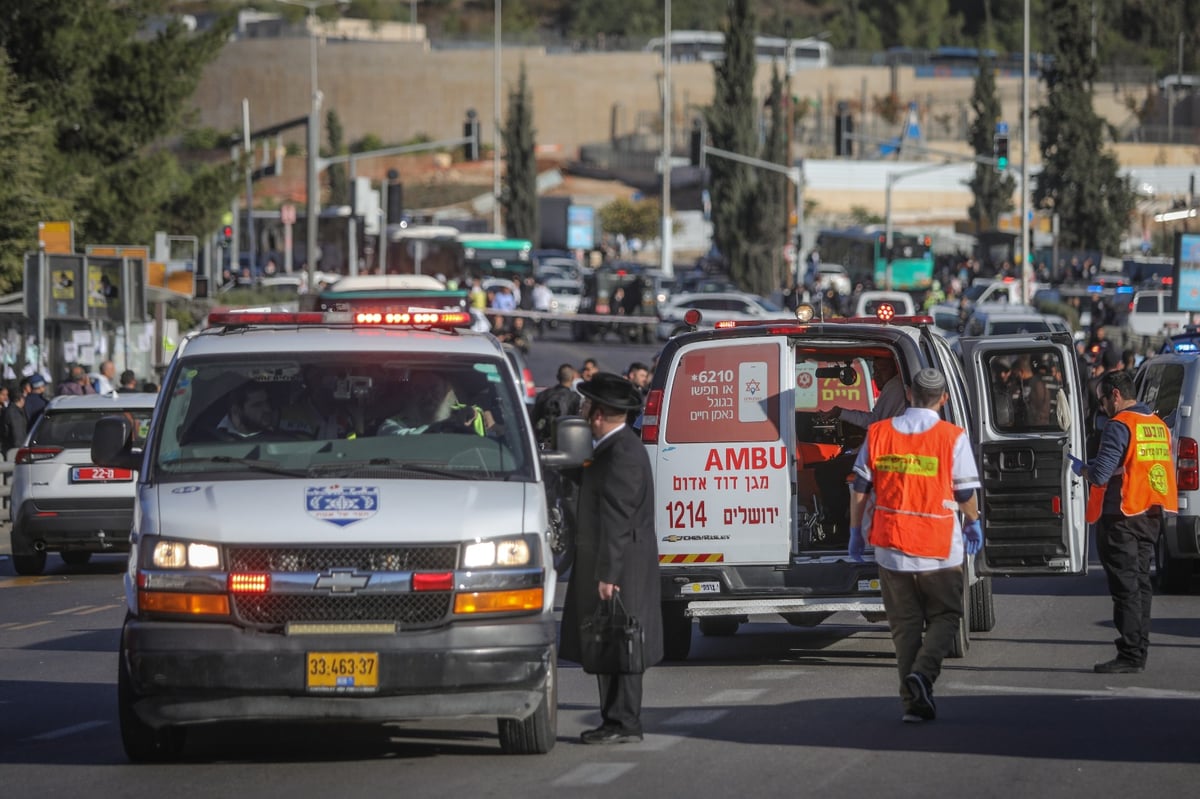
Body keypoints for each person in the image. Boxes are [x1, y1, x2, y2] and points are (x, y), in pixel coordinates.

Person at [847, 368, 982, 723]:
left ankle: (913, 703)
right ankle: (922, 675)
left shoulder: (879, 433)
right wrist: (974, 523)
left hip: (891, 546)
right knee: (946, 616)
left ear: (908, 393)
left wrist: (856, 531)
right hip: (939, 547)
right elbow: (965, 492)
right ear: (944, 399)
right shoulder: (951, 437)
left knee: (905, 627)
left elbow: (860, 487)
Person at [558, 372, 662, 744]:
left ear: (599, 413)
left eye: (586, 406)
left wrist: (608, 574)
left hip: (623, 566)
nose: (582, 411)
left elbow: (617, 519)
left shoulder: (622, 454)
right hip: (619, 563)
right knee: (612, 642)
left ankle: (624, 723)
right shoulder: (611, 448)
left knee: (624, 644)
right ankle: (614, 720)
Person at [1075, 369, 1177, 674]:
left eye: (1102, 400)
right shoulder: (1157, 425)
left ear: (1115, 395)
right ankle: (1138, 649)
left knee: (1126, 587)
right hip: (1150, 514)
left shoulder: (1120, 425)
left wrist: (1082, 469)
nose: (1102, 407)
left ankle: (1131, 654)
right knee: (1141, 584)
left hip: (1122, 517)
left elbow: (1102, 474)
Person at [378, 371, 494, 436]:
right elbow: (411, 441)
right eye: (419, 390)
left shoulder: (469, 416)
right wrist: (450, 424)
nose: (428, 396)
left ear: (447, 392)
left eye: (433, 389)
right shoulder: (390, 426)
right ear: (410, 394)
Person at [829, 356, 906, 429]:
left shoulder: (895, 385)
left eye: (883, 369)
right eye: (875, 369)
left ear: (896, 369)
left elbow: (874, 421)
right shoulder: (898, 386)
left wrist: (839, 412)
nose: (877, 374)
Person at [531, 364, 581, 447]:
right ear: (572, 378)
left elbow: (534, 419)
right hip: (565, 442)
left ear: (558, 377)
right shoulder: (575, 398)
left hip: (543, 442)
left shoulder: (544, 395)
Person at [3, 390, 27, 454]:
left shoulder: (11, 410)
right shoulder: (14, 413)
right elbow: (17, 433)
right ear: (21, 399)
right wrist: (19, 450)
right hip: (15, 449)